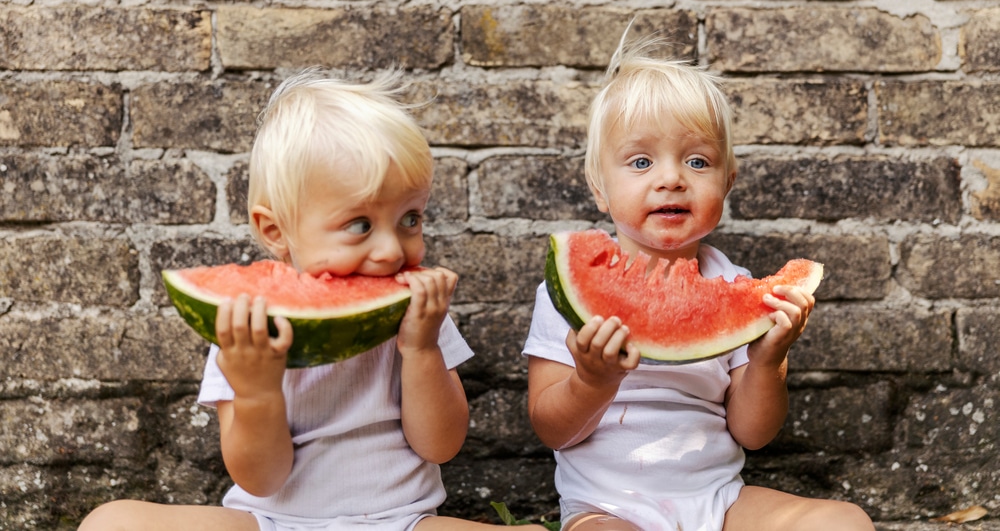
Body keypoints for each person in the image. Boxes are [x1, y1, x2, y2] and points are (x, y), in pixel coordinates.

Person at [81, 69, 543, 531]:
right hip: (269, 521)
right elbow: (260, 480)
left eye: (410, 219)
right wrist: (257, 392)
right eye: (360, 225)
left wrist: (421, 349)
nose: (390, 250)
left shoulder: (420, 312)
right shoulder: (245, 326)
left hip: (400, 522)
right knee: (110, 522)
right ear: (275, 231)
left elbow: (440, 446)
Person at [522, 33, 876, 531]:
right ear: (599, 187)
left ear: (727, 183)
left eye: (697, 161)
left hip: (718, 501)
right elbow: (552, 430)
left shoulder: (738, 284)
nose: (671, 179)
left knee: (845, 521)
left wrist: (768, 361)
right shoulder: (562, 297)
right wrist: (592, 381)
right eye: (641, 162)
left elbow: (752, 434)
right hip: (606, 509)